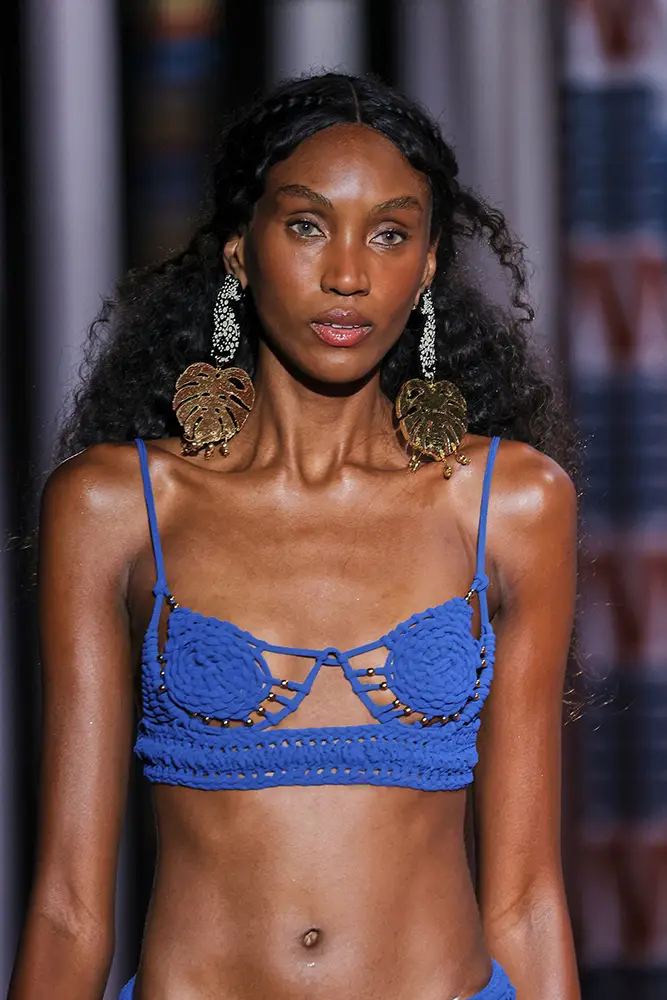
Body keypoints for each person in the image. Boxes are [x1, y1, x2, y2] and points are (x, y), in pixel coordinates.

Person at [9, 72, 580, 1000]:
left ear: (427, 266)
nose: (348, 274)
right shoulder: (116, 505)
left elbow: (525, 899)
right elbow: (70, 904)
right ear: (240, 250)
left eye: (389, 234)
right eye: (308, 225)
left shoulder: (509, 504)